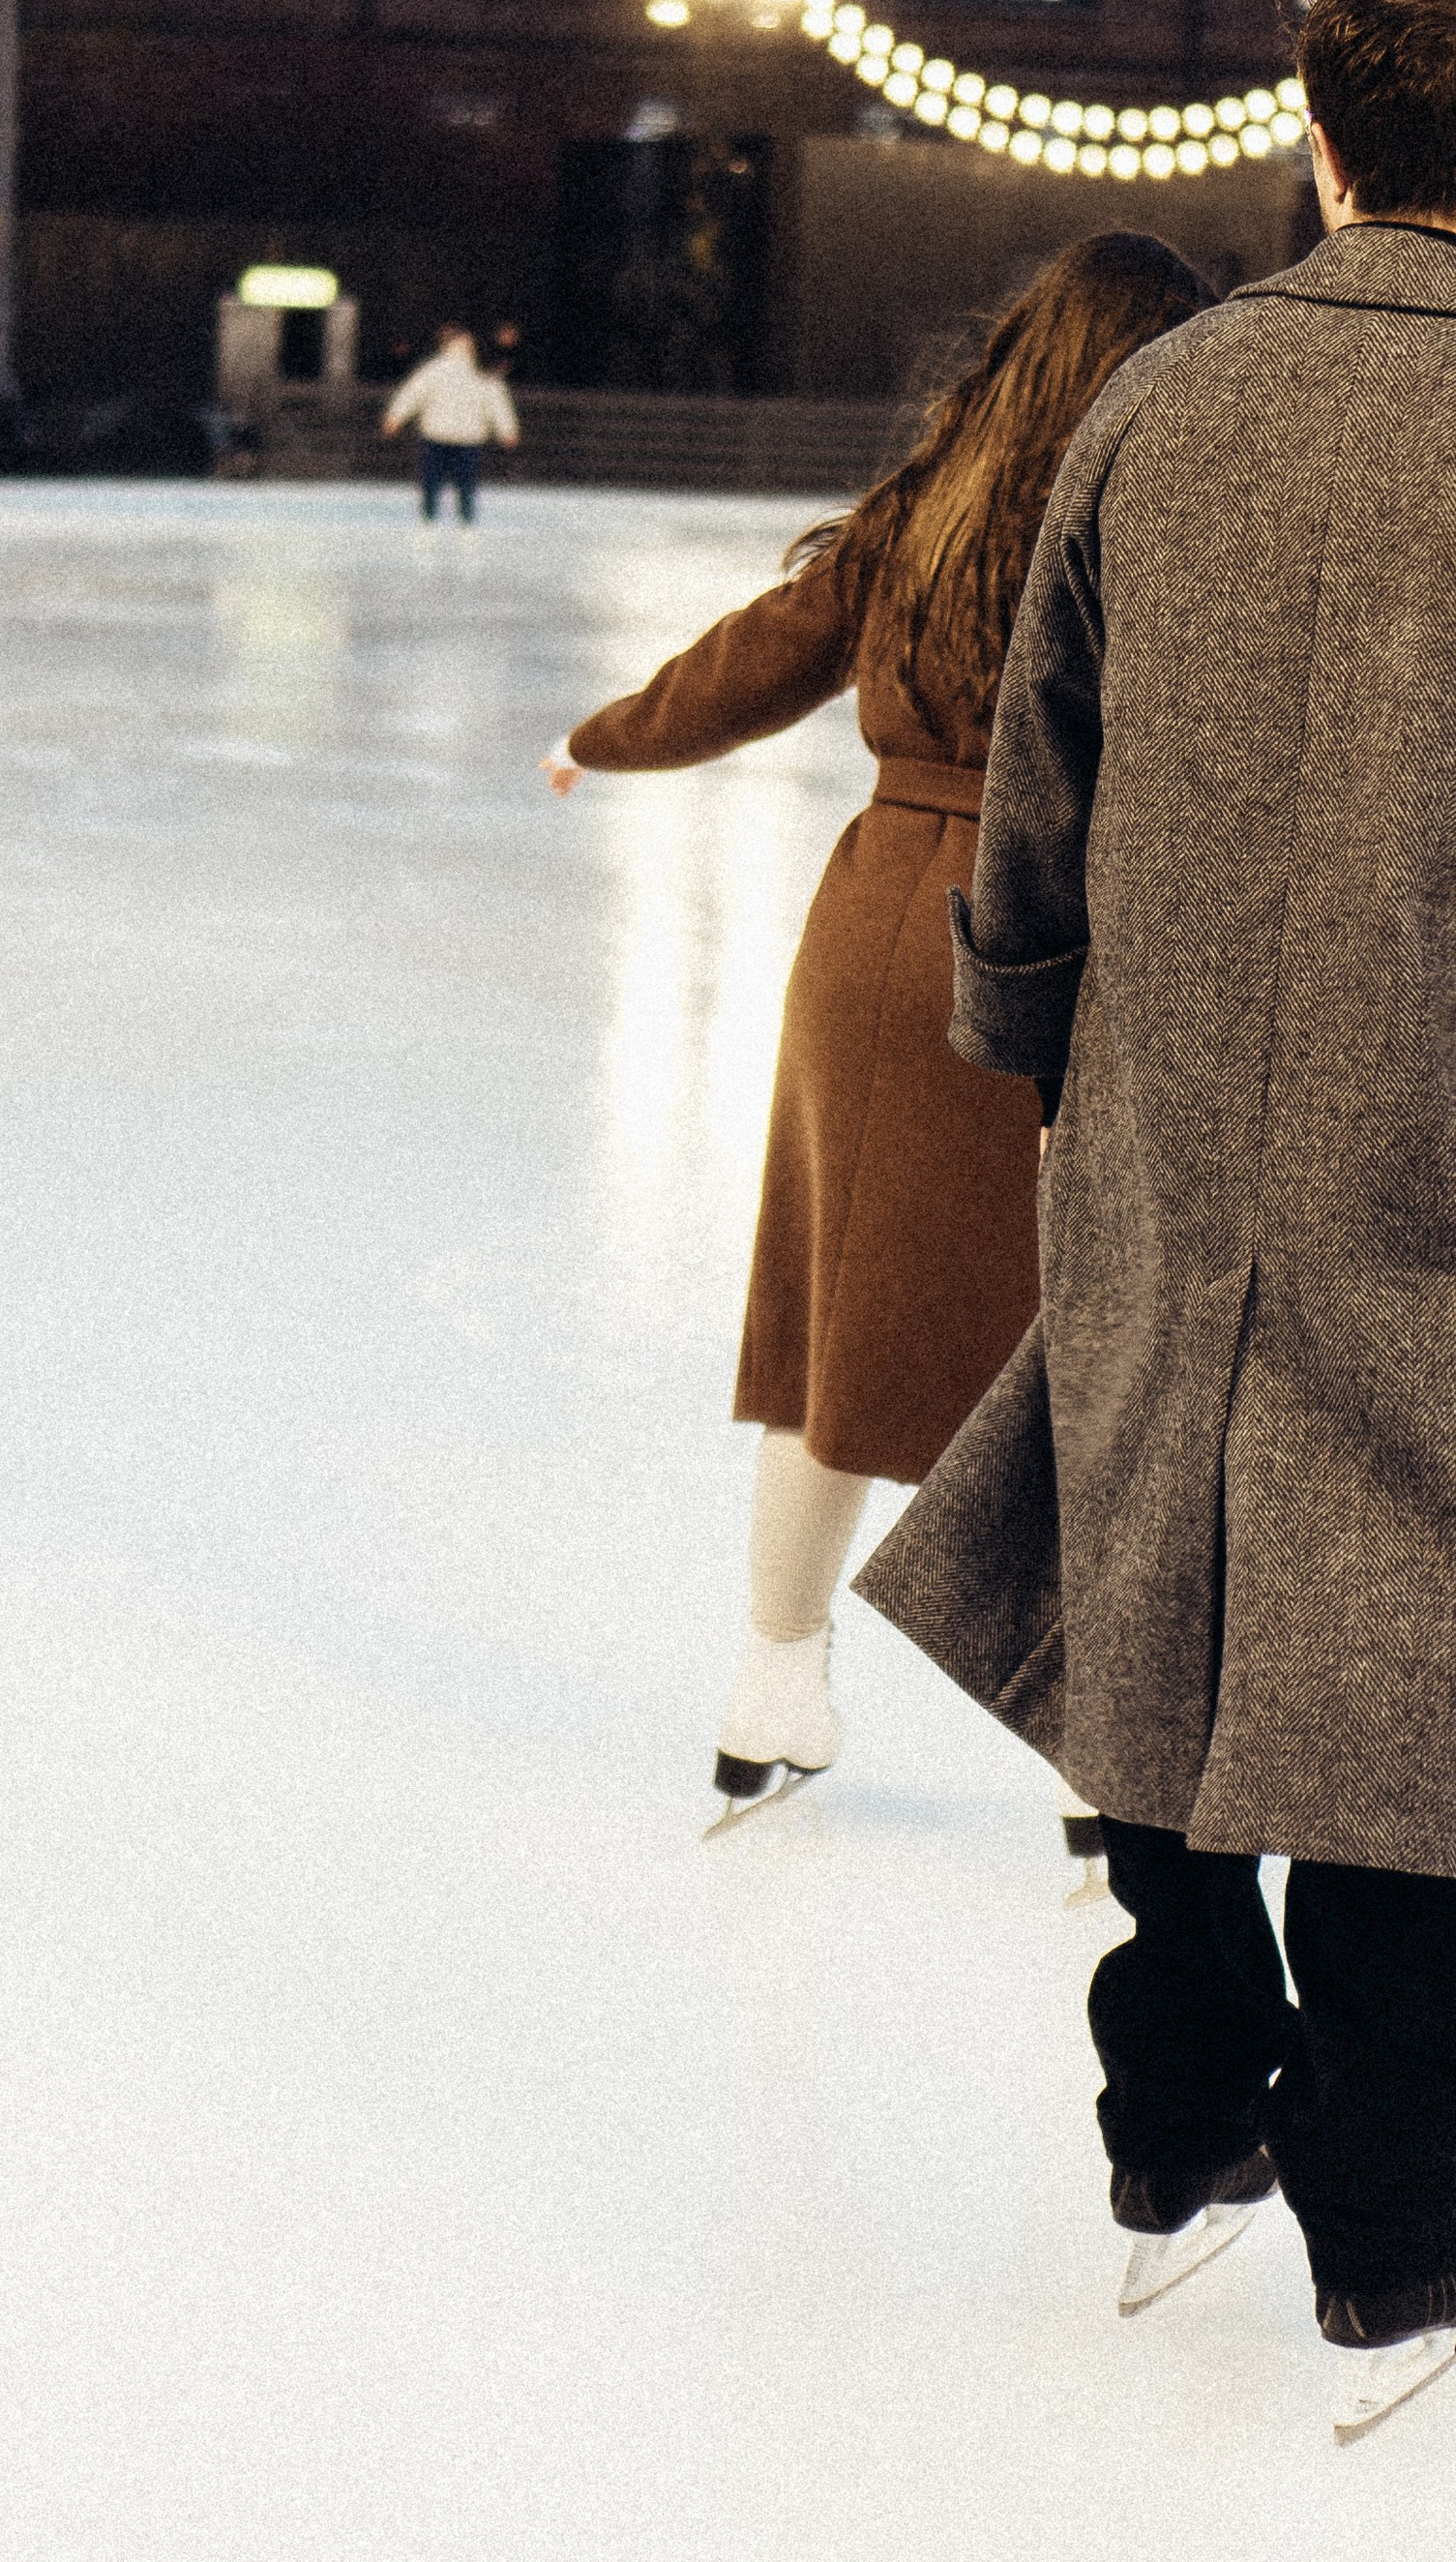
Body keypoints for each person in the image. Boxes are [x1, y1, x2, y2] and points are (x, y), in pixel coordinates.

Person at [856, 0, 1456, 2444]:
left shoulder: (1160, 405)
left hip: (1169, 1122)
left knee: (1156, 1595)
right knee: (1418, 1656)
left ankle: (1176, 2123)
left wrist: (1039, 1043)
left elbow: (1040, 782)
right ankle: (1386, 2229)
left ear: (1314, 136)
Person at [542, 233, 1217, 1831]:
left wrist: (602, 738)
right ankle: (1104, 1768)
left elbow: (749, 663)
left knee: (831, 1337)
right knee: (1090, 1358)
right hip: (1059, 948)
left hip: (875, 939)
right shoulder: (1166, 522)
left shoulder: (926, 511)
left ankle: (772, 1687)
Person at [383, 323, 520, 521]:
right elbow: (497, 403)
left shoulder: (433, 370)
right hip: (467, 437)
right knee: (465, 483)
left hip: (437, 434)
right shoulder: (481, 373)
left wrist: (395, 418)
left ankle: (430, 517)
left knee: (432, 482)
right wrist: (507, 431)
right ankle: (465, 519)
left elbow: (411, 394)